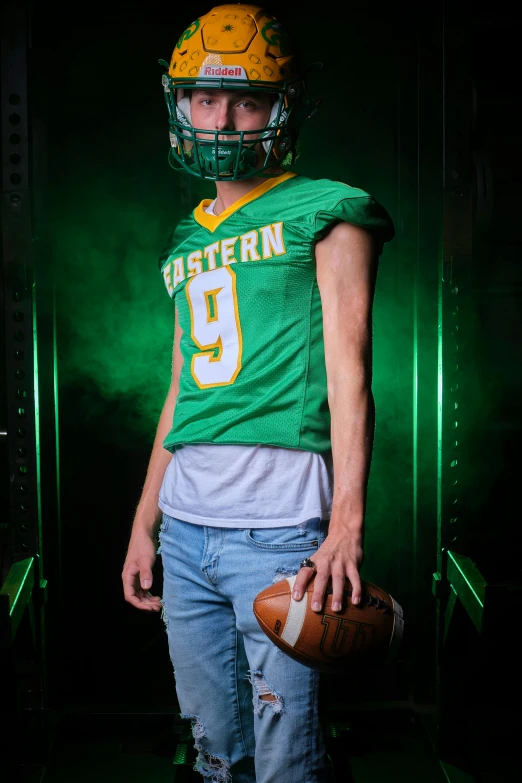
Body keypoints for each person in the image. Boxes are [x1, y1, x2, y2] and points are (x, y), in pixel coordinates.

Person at [122, 4, 395, 782]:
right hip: (186, 530)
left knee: (286, 763)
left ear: (282, 106)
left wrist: (346, 524)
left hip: (277, 532)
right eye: (206, 98)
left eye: (247, 99)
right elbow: (179, 395)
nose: (224, 119)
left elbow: (352, 371)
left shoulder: (326, 209)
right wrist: (146, 524)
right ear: (180, 104)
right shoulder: (188, 236)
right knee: (215, 755)